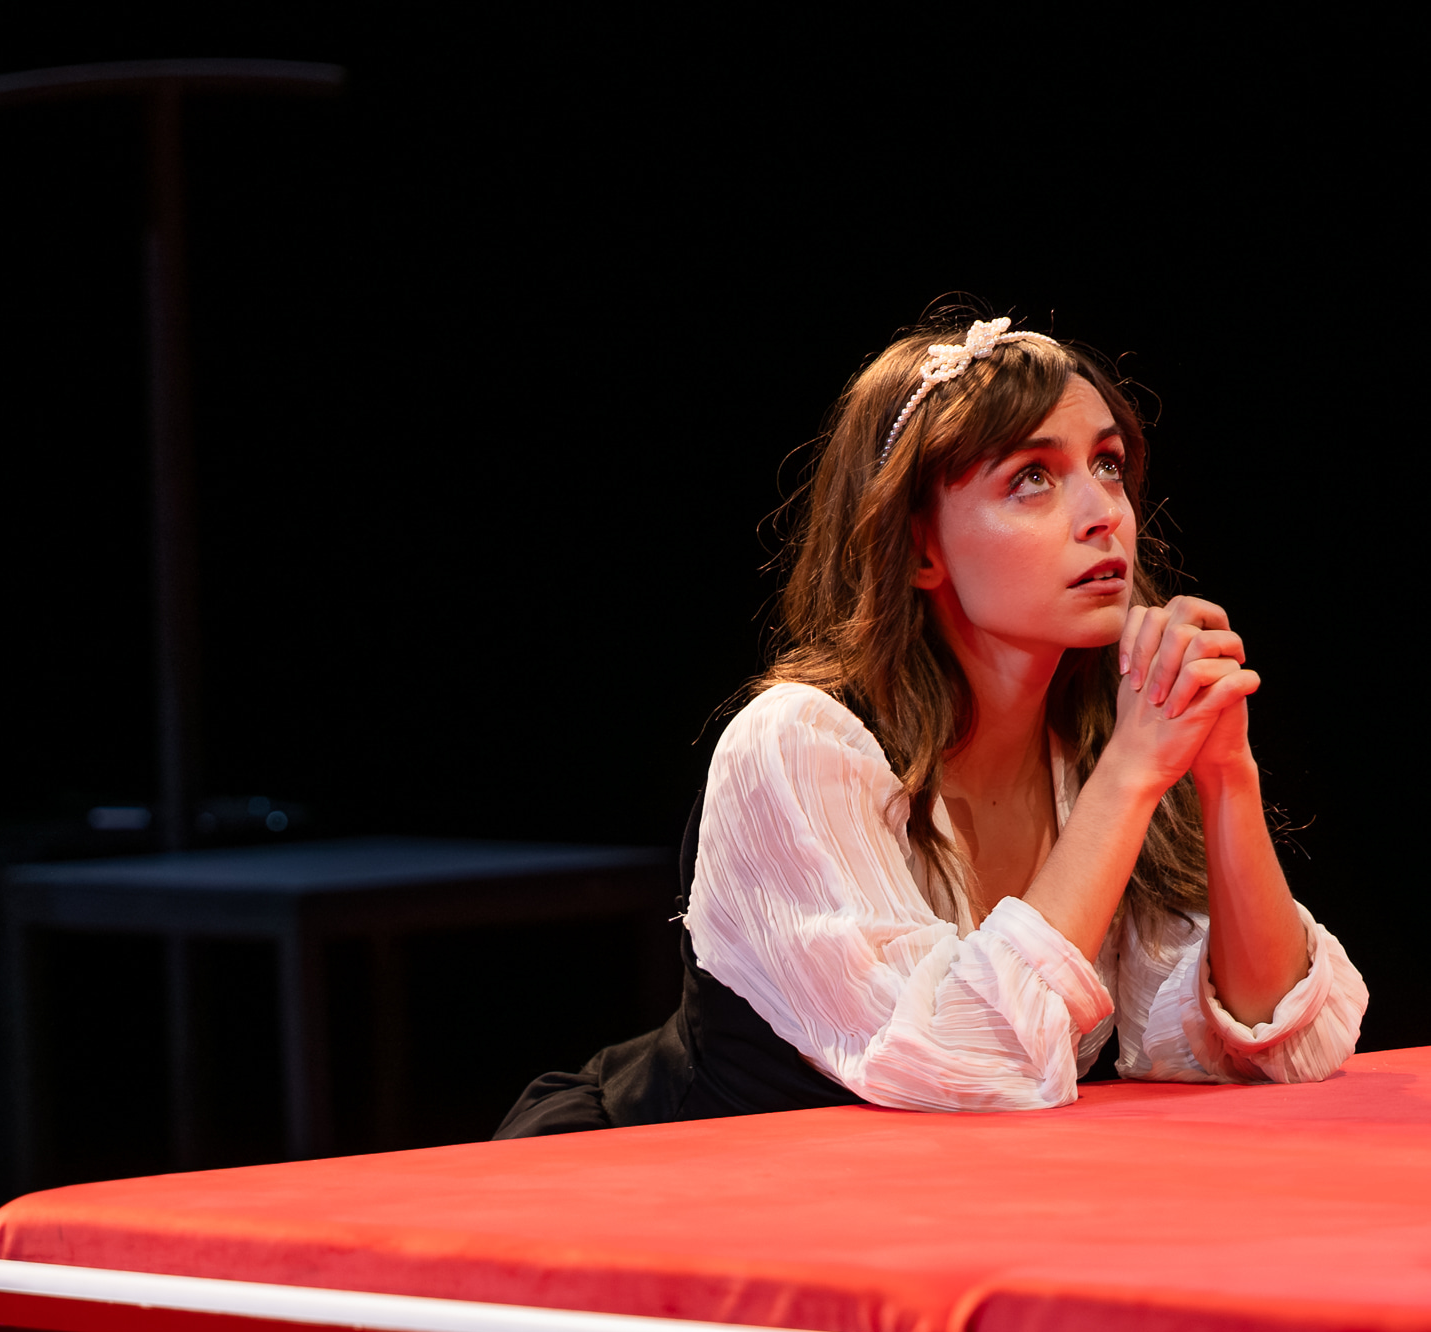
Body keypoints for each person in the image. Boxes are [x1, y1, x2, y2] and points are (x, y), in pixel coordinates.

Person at [496, 314, 1365, 1135]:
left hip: (915, 1214)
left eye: (1107, 464)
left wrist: (1225, 774)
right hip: (667, 1187)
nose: (1105, 512)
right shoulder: (798, 745)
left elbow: (1273, 1043)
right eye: (1031, 478)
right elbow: (963, 1062)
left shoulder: (1101, 742)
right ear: (920, 548)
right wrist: (1132, 776)